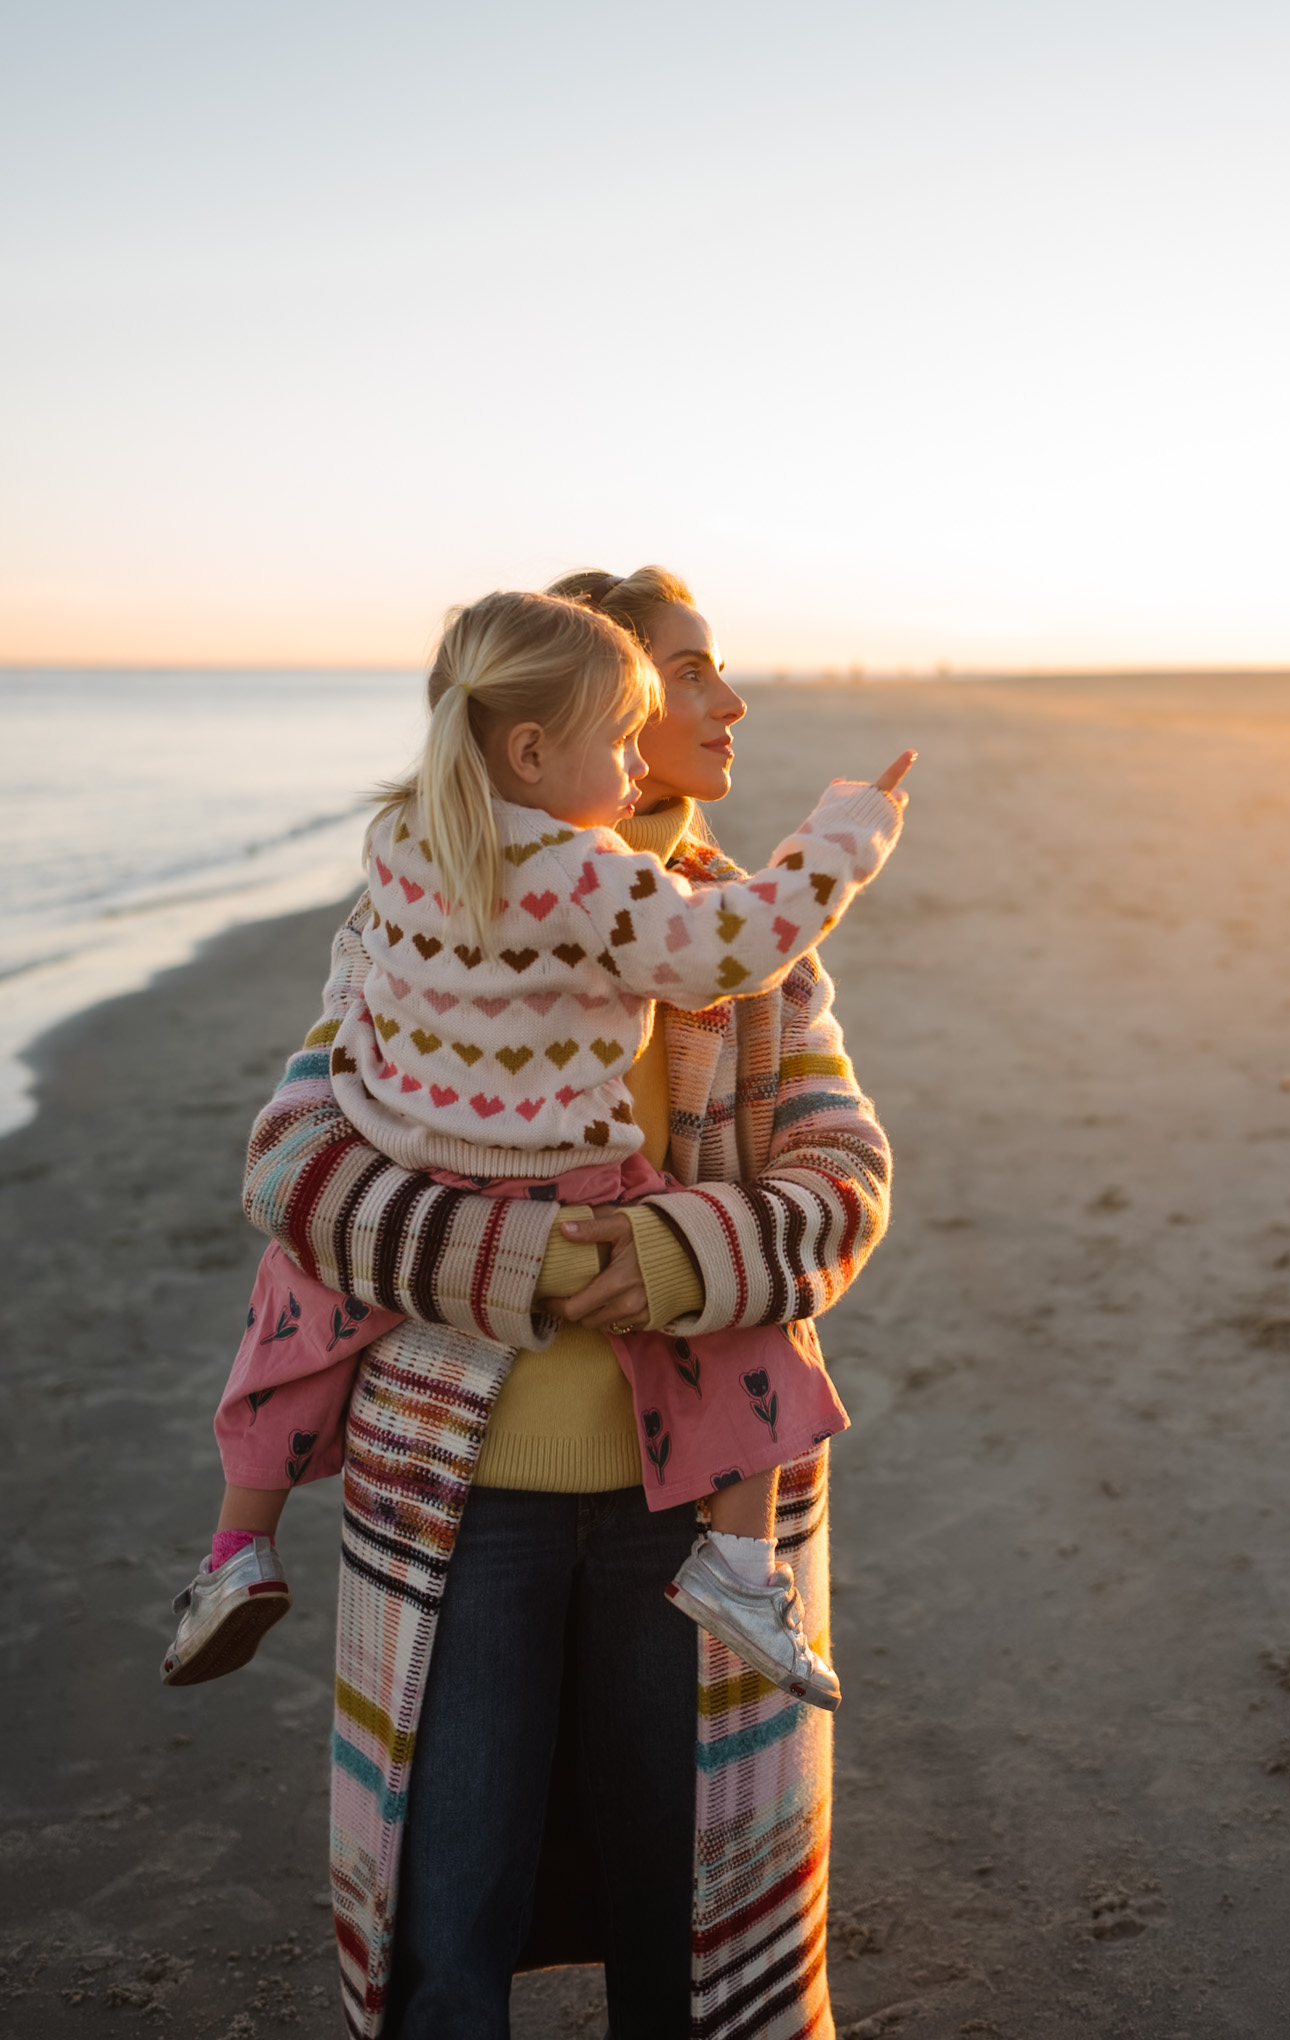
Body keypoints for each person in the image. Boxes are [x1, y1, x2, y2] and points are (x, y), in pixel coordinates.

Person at [226, 568, 900, 2040]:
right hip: (457, 1497)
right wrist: (506, 1260)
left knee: (699, 1935)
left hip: (701, 1502)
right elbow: (288, 1156)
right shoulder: (434, 890)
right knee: (444, 1927)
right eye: (688, 676)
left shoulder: (745, 935)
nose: (725, 704)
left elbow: (847, 1177)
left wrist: (674, 1262)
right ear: (591, 726)